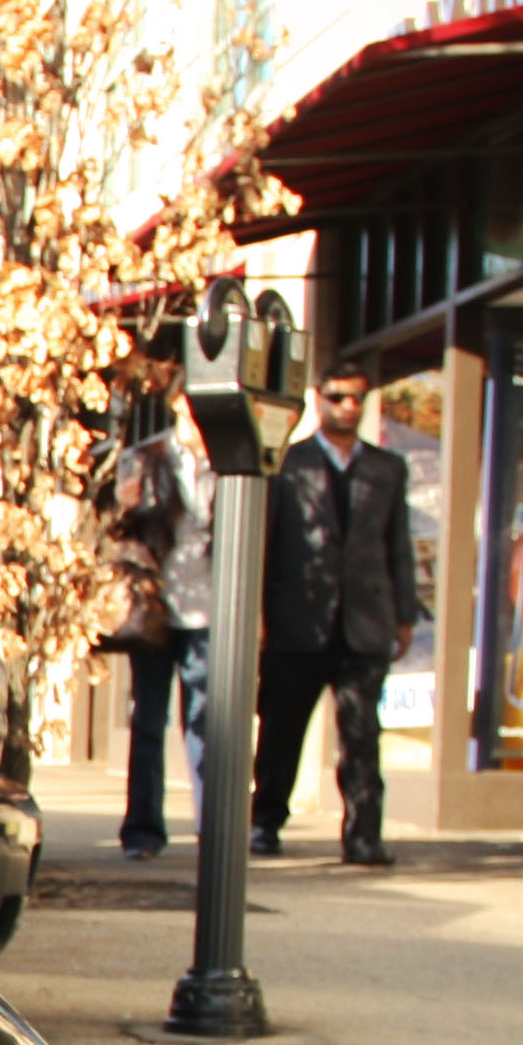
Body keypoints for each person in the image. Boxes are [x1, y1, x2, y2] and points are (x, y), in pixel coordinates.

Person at [252, 365, 421, 866]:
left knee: (363, 735)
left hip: (364, 622)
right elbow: (264, 540)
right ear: (319, 399)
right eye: (338, 397)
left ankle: (364, 834)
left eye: (357, 399)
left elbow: (399, 546)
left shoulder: (386, 468)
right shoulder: (287, 462)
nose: (348, 406)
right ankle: (265, 823)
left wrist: (404, 615)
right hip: (296, 622)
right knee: (282, 732)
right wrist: (258, 614)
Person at [94, 424, 213, 858]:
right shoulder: (149, 458)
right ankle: (143, 832)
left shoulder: (224, 458)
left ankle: (213, 829)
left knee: (205, 722)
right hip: (156, 610)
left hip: (208, 610)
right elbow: (114, 530)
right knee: (149, 720)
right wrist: (123, 507)